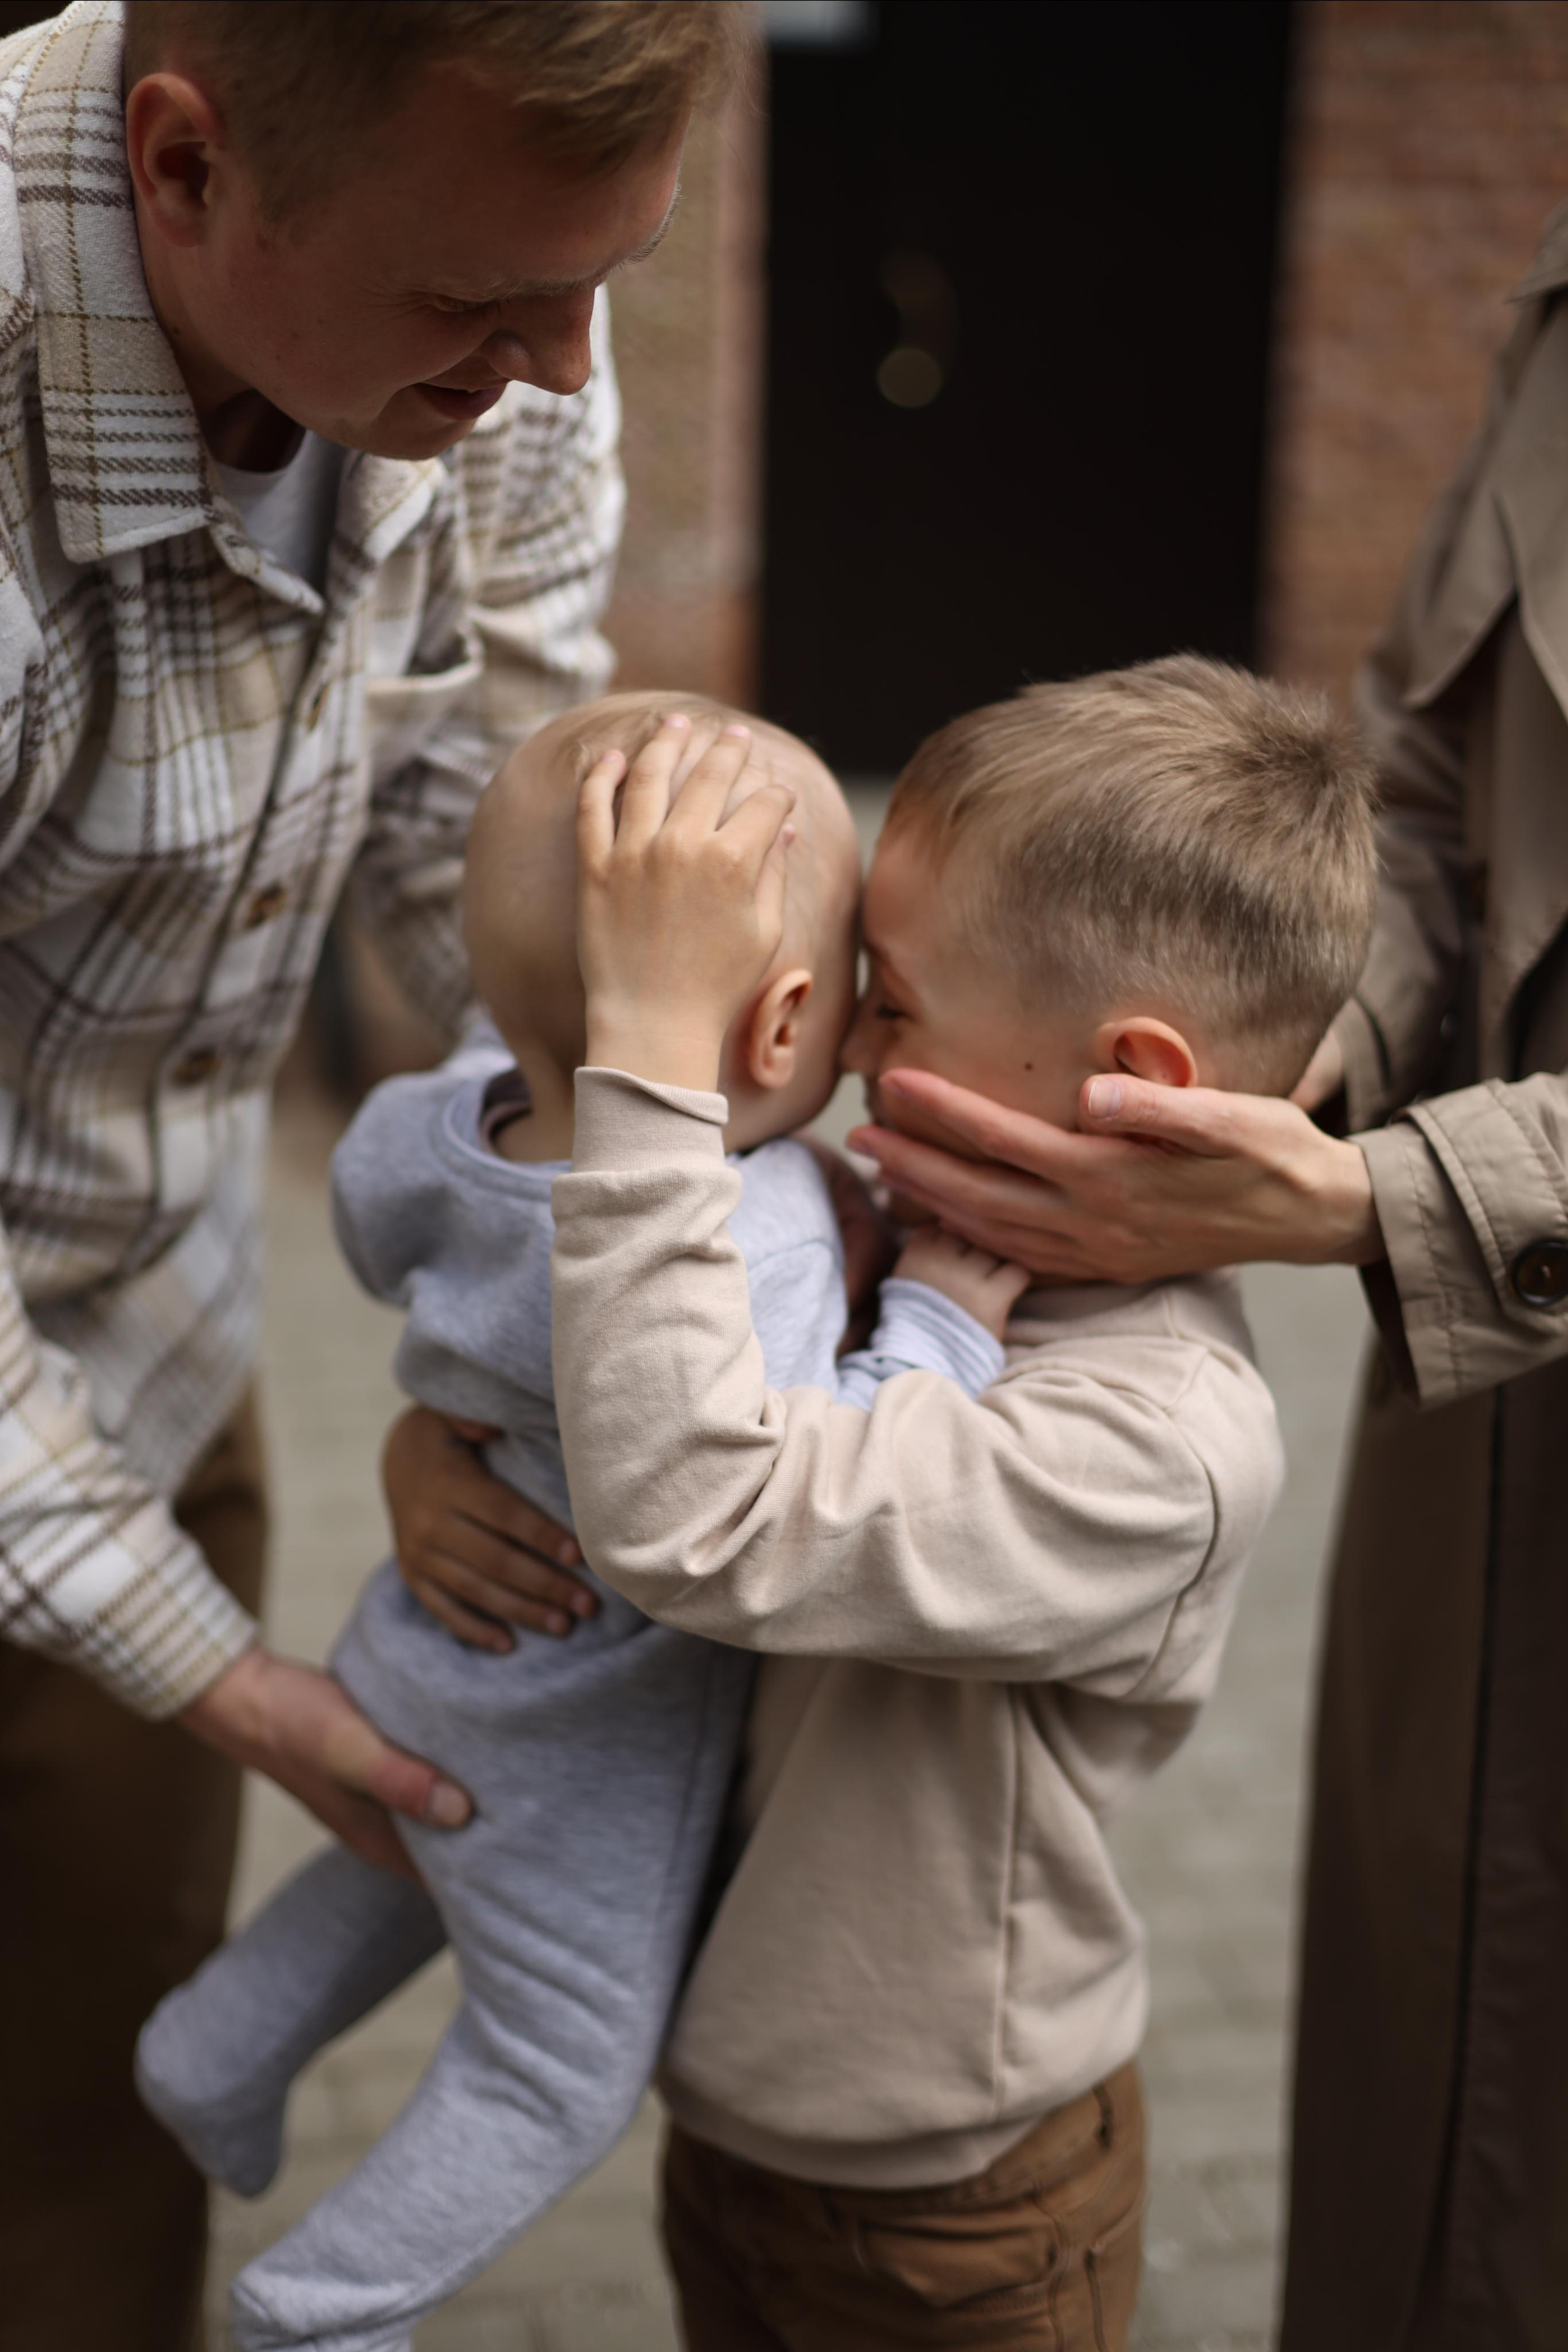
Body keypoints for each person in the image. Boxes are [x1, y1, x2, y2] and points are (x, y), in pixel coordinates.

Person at [0, 4, 731, 2346]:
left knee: (82, 2131)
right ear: (186, 169)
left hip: (141, 1327)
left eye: (604, 279)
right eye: (479, 310)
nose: (557, 369)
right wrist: (223, 1677)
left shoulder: (500, 323)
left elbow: (469, 836)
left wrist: (716, 1093)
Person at [842, 208, 1568, 2352]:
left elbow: (747, 1522)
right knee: (1440, 2134)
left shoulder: (1153, 1437)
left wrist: (1389, 1206)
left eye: (882, 1006)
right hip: (1484, 1457)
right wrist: (1301, 1067)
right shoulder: (1558, 308)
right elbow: (1428, 789)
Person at [134, 697, 1008, 2352]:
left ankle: (208, 2055)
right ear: (779, 1031)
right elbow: (811, 1469)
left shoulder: (441, 1125)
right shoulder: (753, 1235)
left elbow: (383, 1230)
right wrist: (944, 1335)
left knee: (405, 1858)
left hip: (417, 1640)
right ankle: (325, 2306)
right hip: (580, 1725)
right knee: (560, 2057)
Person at [538, 655, 1376, 2350]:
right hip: (741, 2109)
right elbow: (615, 1379)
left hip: (957, 2207)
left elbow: (707, 1510)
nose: (844, 1038)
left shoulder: (1158, 1443)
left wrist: (647, 1053)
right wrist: (429, 1450)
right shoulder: (891, 1221)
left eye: (897, 1005)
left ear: (1121, 1074)